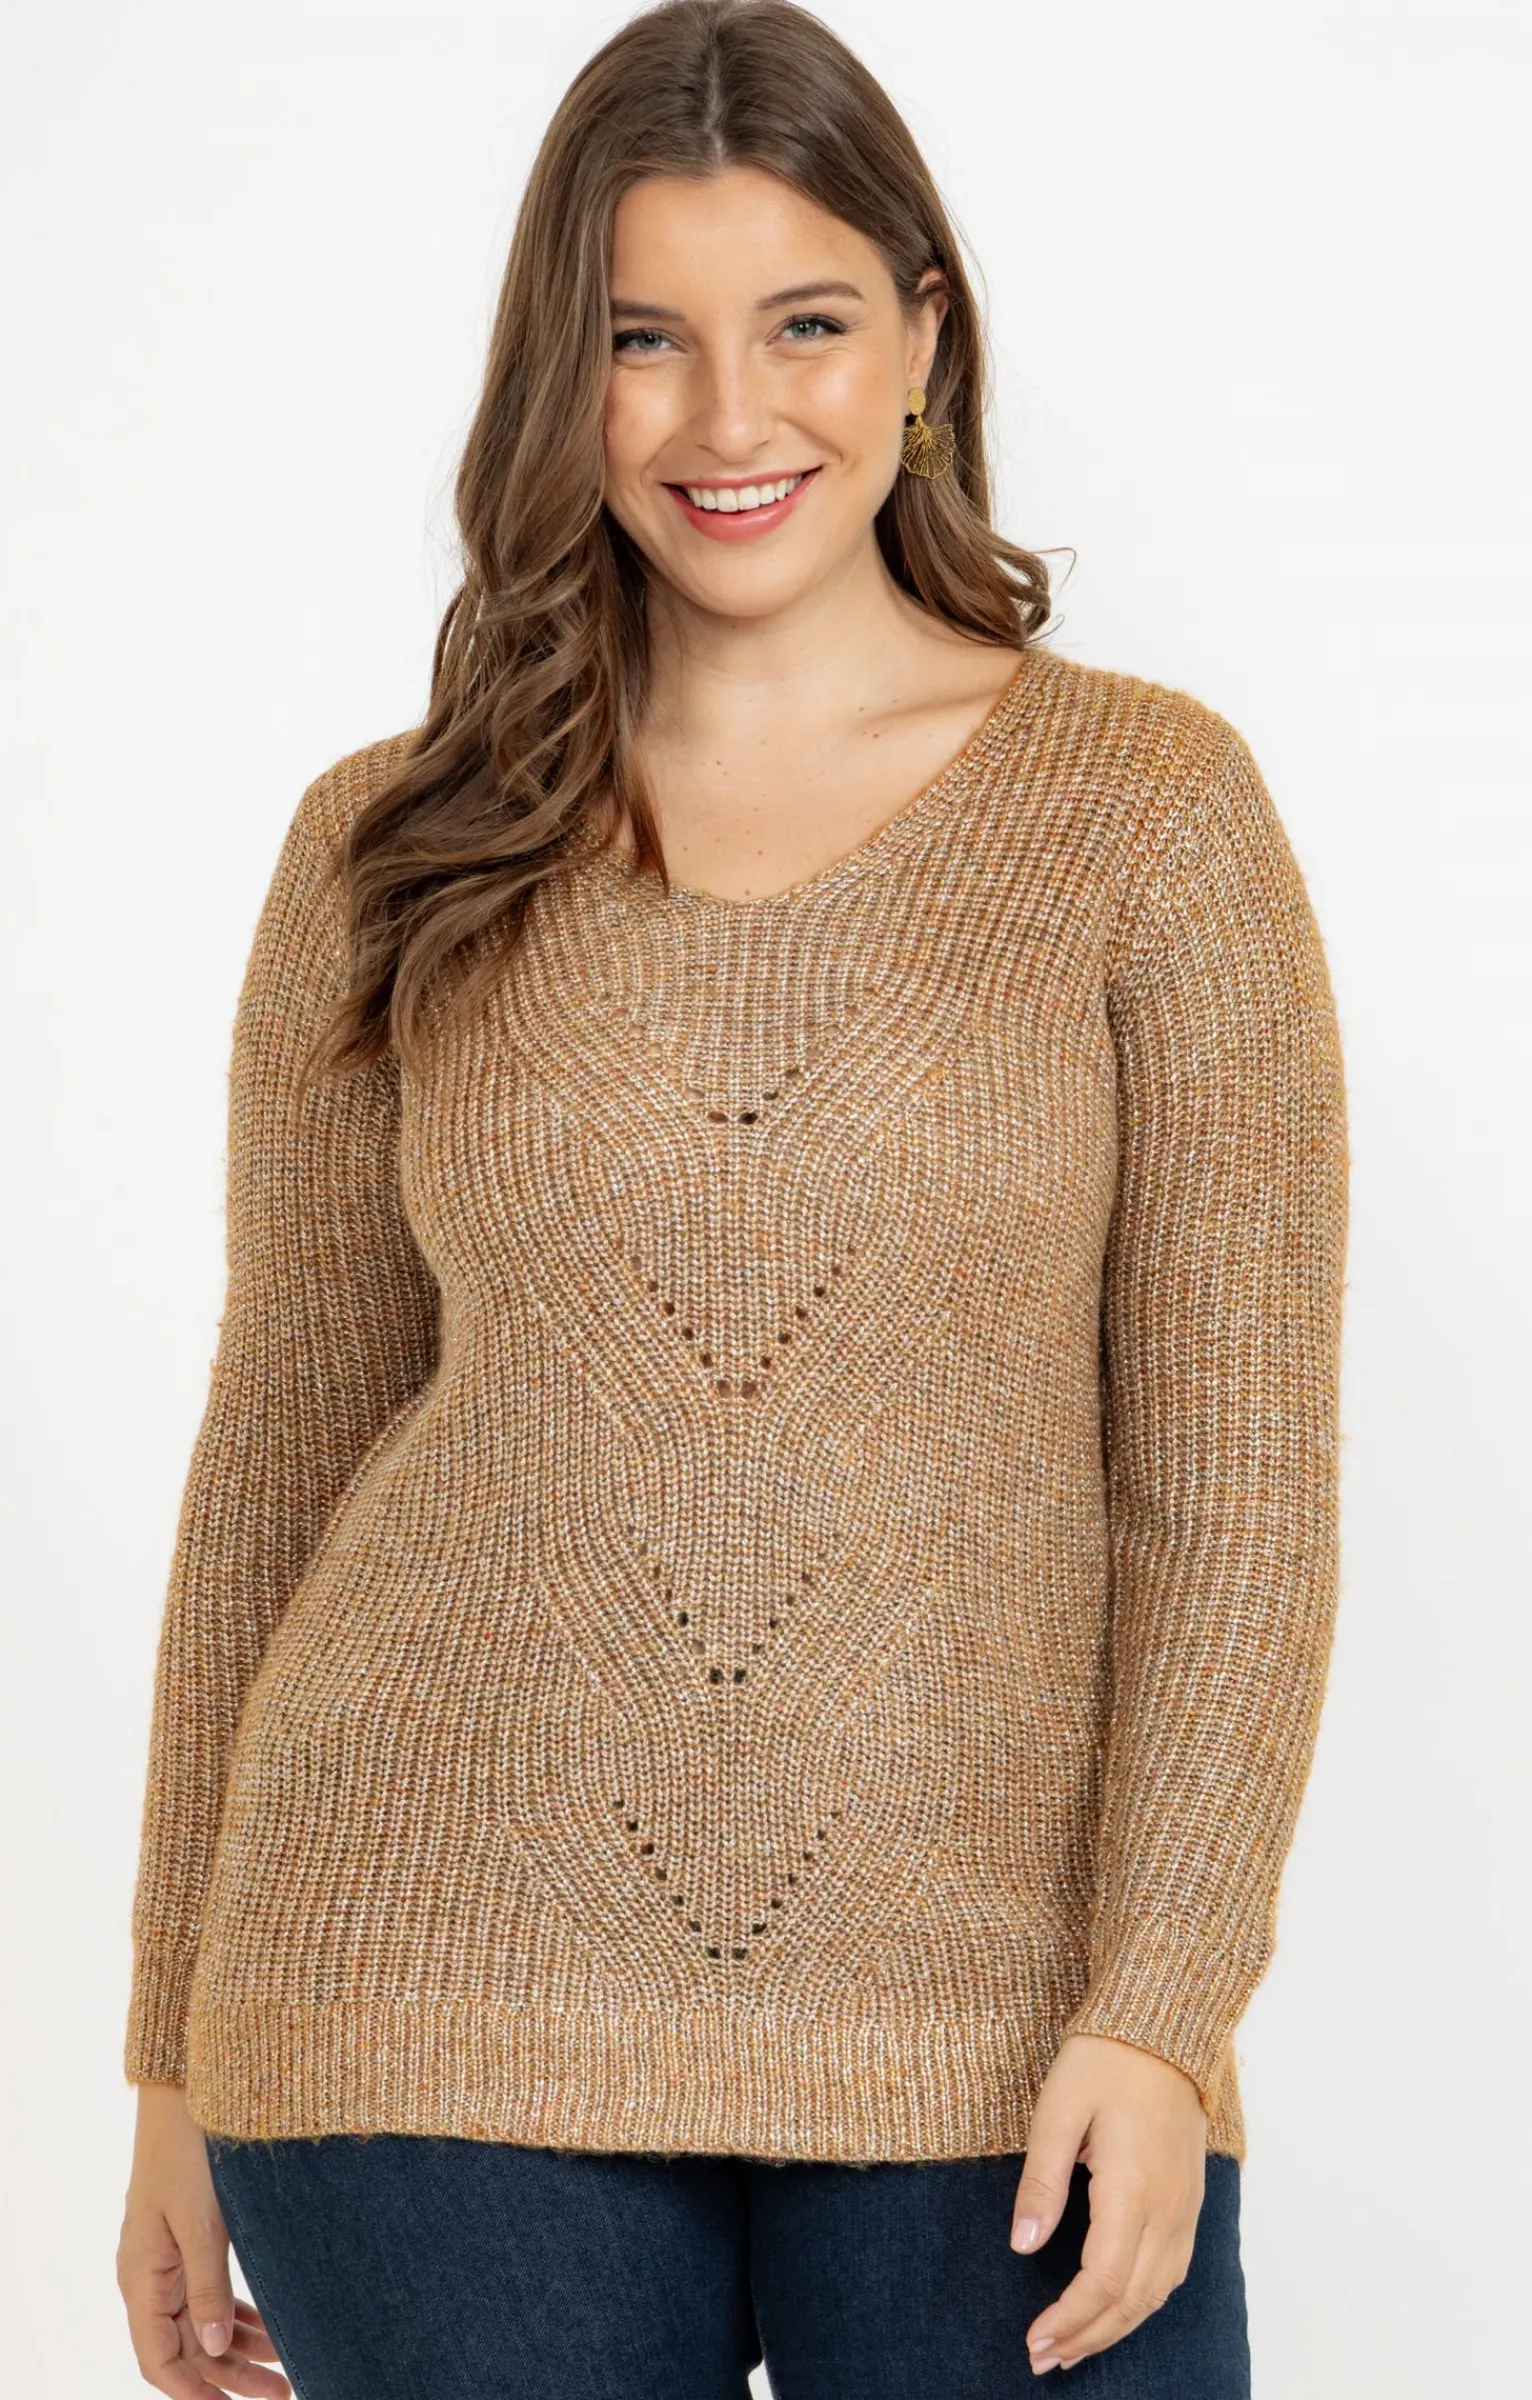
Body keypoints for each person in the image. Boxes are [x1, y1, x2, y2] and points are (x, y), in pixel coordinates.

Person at [114, 3, 1349, 2395]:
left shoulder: (1147, 816)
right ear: (555, 377)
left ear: (923, 338)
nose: (724, 418)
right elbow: (281, 1447)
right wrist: (170, 2053)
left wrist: (1160, 2005)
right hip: (413, 1997)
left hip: (1005, 2023)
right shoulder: (392, 842)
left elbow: (1234, 1494)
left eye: (802, 324)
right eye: (638, 340)